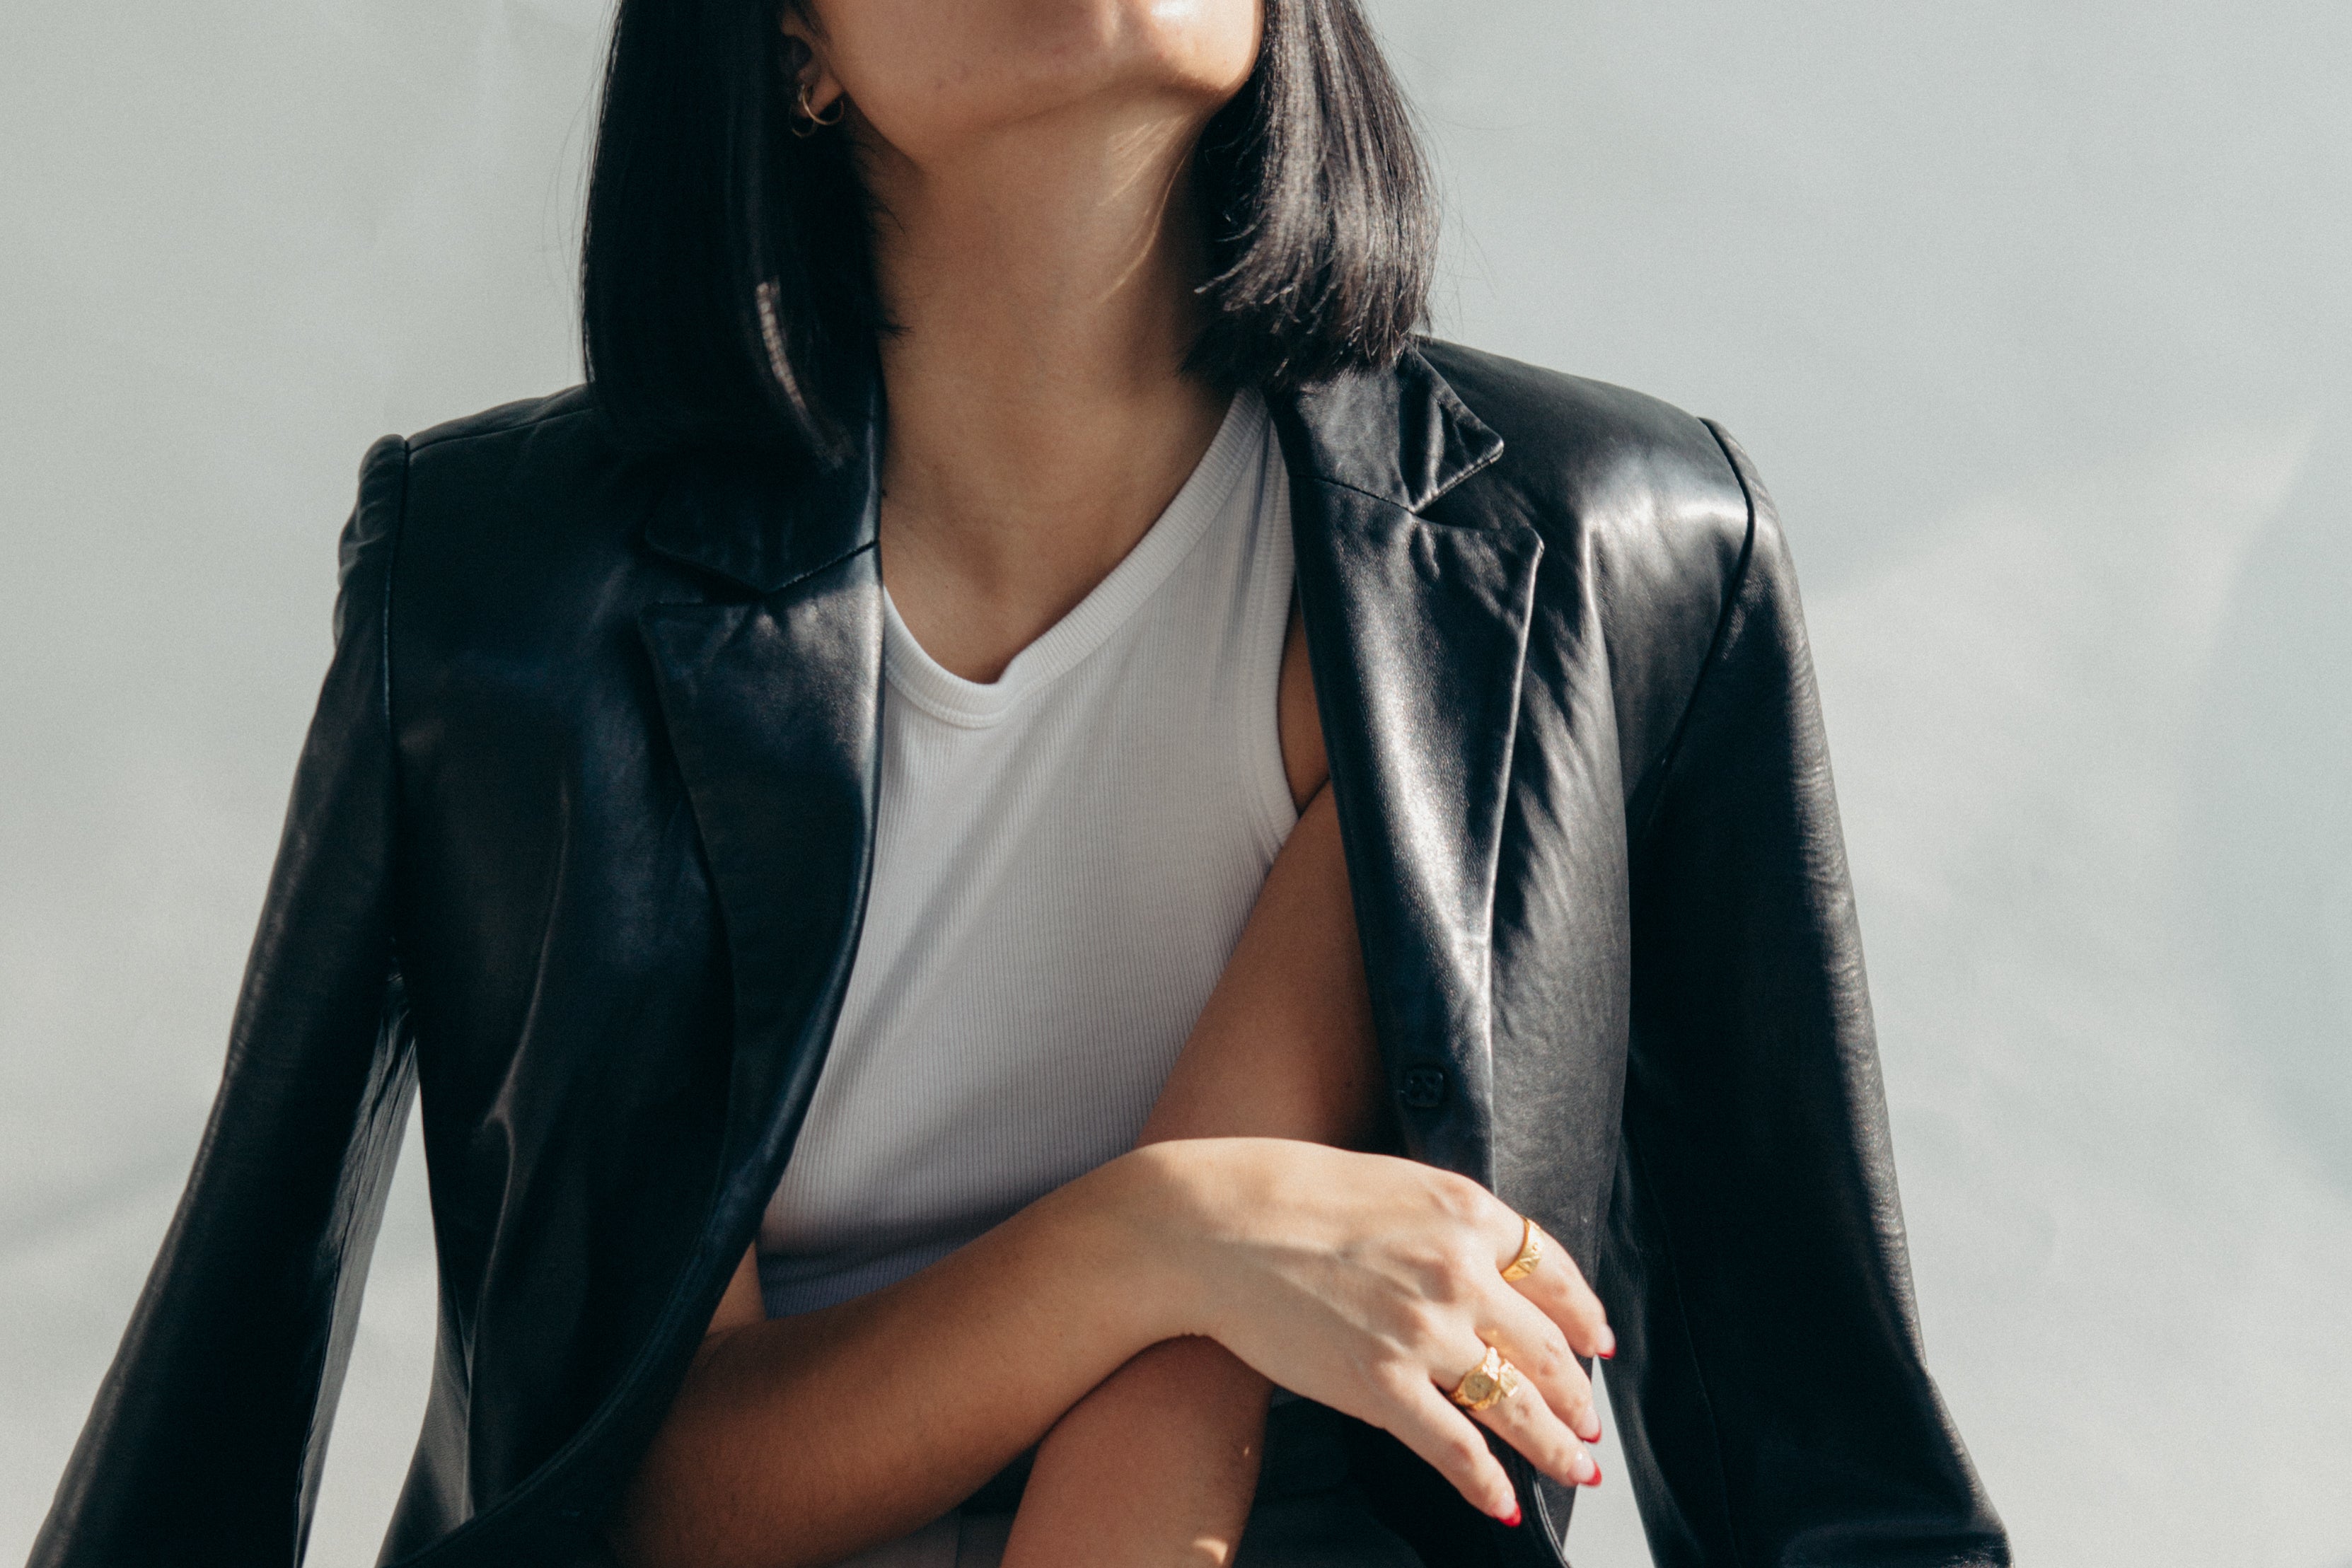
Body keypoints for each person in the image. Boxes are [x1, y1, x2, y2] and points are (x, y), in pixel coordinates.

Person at [32, 2, 2010, 1566]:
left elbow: (1833, 1471)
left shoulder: (1590, 558)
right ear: (789, 42)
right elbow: (592, 1474)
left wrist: (1196, 1268)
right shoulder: (508, 594)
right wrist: (1158, 1237)